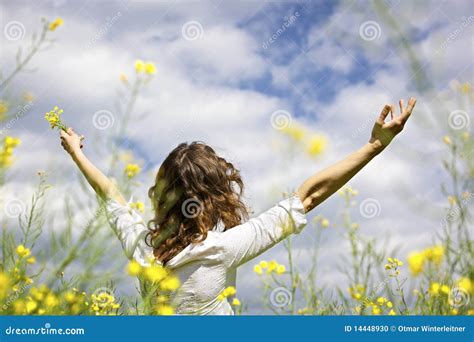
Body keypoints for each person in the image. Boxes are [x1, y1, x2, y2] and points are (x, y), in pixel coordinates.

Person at [59, 97, 417, 314]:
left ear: (162, 193)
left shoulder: (143, 252)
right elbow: (309, 196)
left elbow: (110, 195)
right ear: (217, 196)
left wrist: (77, 153)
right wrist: (373, 147)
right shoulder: (221, 249)